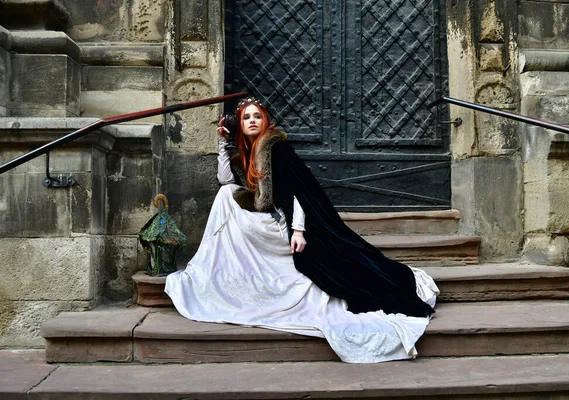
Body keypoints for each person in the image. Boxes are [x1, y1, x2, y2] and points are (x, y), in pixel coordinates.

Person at [165, 97, 439, 363]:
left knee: (344, 268)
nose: (251, 121)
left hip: (293, 220)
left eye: (257, 116)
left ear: (265, 121)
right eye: (246, 117)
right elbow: (226, 180)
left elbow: (300, 193)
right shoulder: (245, 153)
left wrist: (298, 230)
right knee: (226, 194)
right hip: (268, 216)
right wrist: (223, 144)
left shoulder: (276, 149)